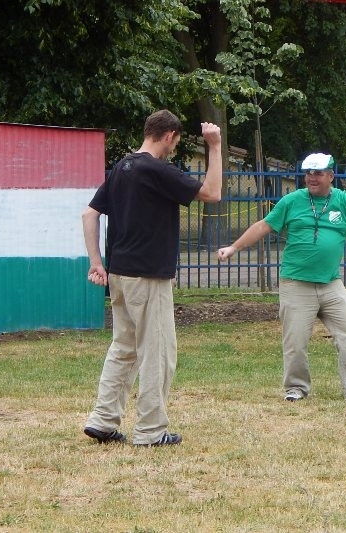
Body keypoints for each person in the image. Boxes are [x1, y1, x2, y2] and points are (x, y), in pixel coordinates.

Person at [82, 110, 223, 446]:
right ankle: (150, 430)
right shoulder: (156, 169)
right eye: (175, 142)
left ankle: (103, 421)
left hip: (118, 273)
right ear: (170, 136)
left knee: (124, 348)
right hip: (148, 276)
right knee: (157, 351)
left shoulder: (123, 167)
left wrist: (96, 262)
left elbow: (89, 213)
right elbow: (212, 192)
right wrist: (215, 146)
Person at [217, 152, 346, 401]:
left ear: (331, 176)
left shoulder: (345, 201)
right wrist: (234, 248)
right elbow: (263, 226)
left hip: (331, 284)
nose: (312, 178)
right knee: (296, 341)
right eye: (308, 173)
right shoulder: (292, 201)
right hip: (296, 284)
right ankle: (296, 388)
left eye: (318, 173)